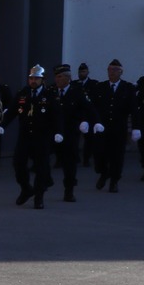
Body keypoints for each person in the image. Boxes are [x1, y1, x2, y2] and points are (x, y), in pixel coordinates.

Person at [9, 65, 55, 208]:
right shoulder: (23, 93)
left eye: (36, 78)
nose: (33, 81)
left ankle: (39, 196)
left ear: (43, 80)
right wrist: (0, 125)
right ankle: (26, 189)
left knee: (41, 168)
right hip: (25, 136)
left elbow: (57, 116)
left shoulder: (49, 95)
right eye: (31, 78)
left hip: (41, 137)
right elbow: (11, 111)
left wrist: (58, 132)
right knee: (18, 163)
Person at [89, 58, 138, 192]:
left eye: (115, 70)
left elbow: (133, 109)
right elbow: (93, 106)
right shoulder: (100, 87)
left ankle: (114, 180)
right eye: (110, 70)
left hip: (118, 127)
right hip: (102, 127)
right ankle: (104, 173)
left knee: (117, 156)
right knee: (100, 154)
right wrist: (93, 122)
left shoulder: (128, 88)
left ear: (121, 72)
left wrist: (135, 128)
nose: (112, 73)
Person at [48, 64, 89, 202]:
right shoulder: (51, 91)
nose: (57, 80)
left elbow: (87, 108)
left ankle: (69, 189)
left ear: (68, 78)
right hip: (52, 132)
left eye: (60, 77)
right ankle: (45, 180)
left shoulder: (77, 91)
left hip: (70, 132)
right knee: (42, 158)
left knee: (69, 163)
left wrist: (85, 121)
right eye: (56, 77)